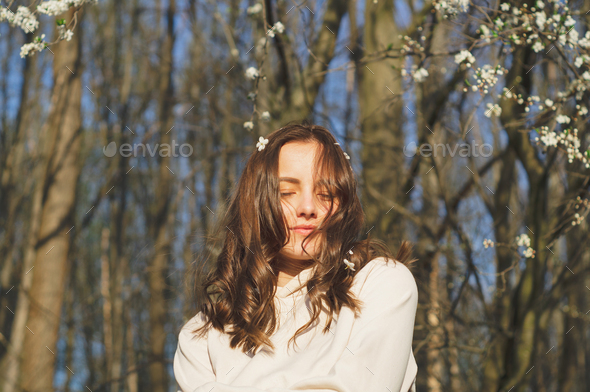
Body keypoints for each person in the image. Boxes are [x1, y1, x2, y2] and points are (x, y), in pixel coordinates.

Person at [173, 122, 419, 392]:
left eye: (326, 194)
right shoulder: (202, 336)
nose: (308, 208)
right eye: (286, 193)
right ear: (256, 201)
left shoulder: (380, 284)